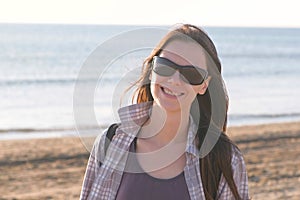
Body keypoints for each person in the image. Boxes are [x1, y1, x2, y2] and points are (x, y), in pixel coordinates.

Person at [80, 24, 250, 200]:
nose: (174, 80)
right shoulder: (110, 143)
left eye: (191, 74)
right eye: (165, 66)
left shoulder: (225, 160)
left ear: (203, 85)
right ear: (152, 68)